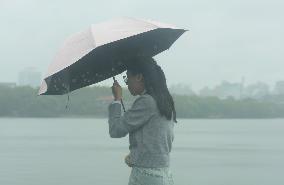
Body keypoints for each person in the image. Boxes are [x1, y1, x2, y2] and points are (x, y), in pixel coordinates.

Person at [108, 57, 177, 185]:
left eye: (128, 77)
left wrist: (117, 99)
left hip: (146, 176)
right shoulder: (165, 101)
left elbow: (115, 130)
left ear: (139, 77)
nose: (127, 83)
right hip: (164, 175)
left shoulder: (146, 101)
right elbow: (161, 140)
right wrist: (136, 155)